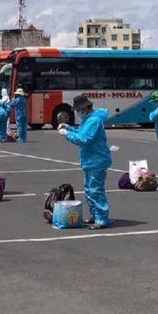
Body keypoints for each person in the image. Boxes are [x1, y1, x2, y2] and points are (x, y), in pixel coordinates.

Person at [59, 95, 112, 229]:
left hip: (96, 160)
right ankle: (96, 215)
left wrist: (67, 134)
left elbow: (85, 139)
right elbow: (82, 132)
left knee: (95, 190)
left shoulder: (93, 121)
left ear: (85, 108)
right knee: (89, 190)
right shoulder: (89, 120)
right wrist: (70, 128)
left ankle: (101, 219)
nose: (78, 112)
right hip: (91, 160)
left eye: (79, 110)